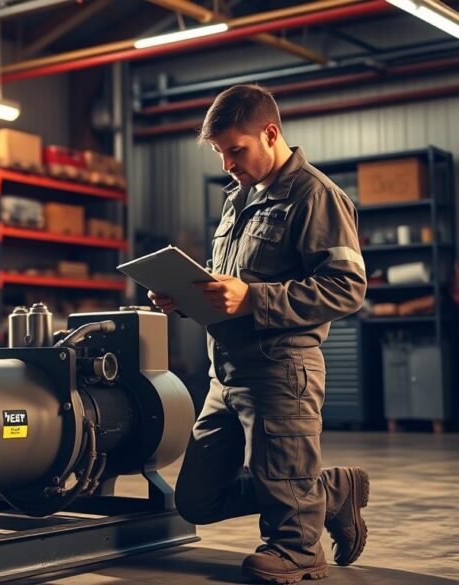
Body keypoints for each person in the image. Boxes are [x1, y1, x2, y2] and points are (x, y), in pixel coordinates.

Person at [148, 84, 369, 584]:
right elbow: (231, 281)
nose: (228, 164)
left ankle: (298, 549)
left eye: (236, 150)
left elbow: (347, 288)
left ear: (270, 133)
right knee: (197, 500)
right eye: (220, 153)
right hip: (225, 375)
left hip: (280, 371)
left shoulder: (315, 196)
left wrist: (253, 298)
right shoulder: (240, 198)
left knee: (284, 498)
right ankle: (331, 490)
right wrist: (185, 296)